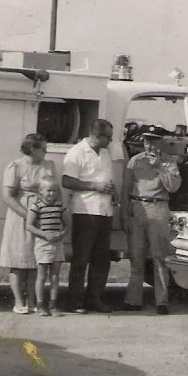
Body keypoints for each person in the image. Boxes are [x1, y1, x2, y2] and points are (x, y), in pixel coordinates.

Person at [120, 125, 181, 315]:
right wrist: (124, 214)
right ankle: (133, 300)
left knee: (159, 258)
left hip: (158, 208)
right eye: (147, 142)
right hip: (137, 208)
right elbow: (125, 188)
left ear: (160, 143)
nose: (150, 146)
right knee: (136, 258)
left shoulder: (169, 162)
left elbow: (173, 188)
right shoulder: (134, 161)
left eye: (154, 141)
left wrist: (160, 167)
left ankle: (161, 301)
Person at [62, 118, 116, 314]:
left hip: (105, 210)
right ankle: (74, 301)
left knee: (102, 259)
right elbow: (67, 180)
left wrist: (112, 191)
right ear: (96, 135)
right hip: (85, 211)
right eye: (107, 137)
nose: (110, 141)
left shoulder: (104, 154)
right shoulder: (77, 152)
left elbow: (106, 180)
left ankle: (95, 299)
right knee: (81, 258)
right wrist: (95, 186)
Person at [0, 133, 58, 314]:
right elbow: (7, 196)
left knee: (36, 260)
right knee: (18, 260)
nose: (46, 152)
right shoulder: (16, 166)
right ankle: (19, 302)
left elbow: (55, 191)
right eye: (44, 149)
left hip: (43, 215)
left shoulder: (49, 166)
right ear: (32, 149)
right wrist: (28, 215)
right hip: (21, 216)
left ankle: (33, 300)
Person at [26, 175, 69, 317]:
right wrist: (45, 235)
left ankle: (53, 305)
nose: (51, 194)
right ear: (40, 192)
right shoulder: (36, 207)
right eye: (48, 191)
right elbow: (29, 226)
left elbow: (68, 224)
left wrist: (62, 234)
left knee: (55, 275)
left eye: (54, 191)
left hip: (57, 243)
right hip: (43, 244)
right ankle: (40, 305)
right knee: (42, 275)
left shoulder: (60, 206)